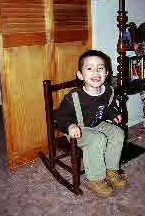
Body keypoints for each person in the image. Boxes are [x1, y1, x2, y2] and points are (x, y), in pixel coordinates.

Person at [53, 50, 127, 198]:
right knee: (97, 139)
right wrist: (70, 126)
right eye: (89, 68)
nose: (95, 72)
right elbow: (59, 115)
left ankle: (111, 169)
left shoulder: (108, 92)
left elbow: (108, 107)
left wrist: (113, 114)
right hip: (78, 130)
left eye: (100, 68)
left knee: (118, 133)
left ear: (106, 73)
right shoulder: (73, 97)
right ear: (80, 75)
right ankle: (95, 178)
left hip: (97, 123)